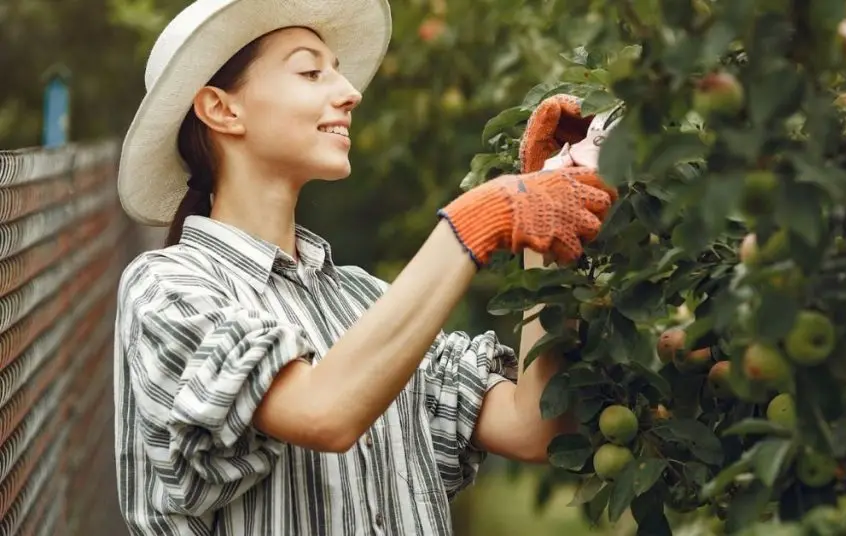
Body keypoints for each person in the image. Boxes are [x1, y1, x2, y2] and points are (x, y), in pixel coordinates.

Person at [111, 0, 619, 535]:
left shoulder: (364, 301)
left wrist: (543, 225)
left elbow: (531, 427)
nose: (350, 92)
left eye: (337, 70)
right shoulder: (168, 290)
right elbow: (321, 413)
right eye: (311, 71)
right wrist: (479, 219)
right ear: (221, 109)